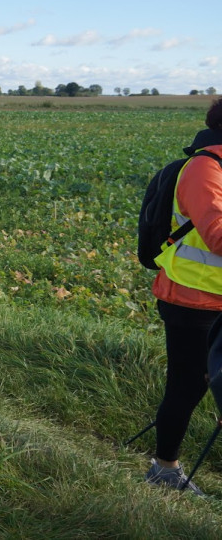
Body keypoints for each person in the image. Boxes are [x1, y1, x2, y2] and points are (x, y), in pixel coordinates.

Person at [145, 97, 222, 495]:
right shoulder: (204, 169)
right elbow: (216, 235)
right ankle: (164, 468)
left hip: (216, 298)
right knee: (187, 385)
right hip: (192, 300)